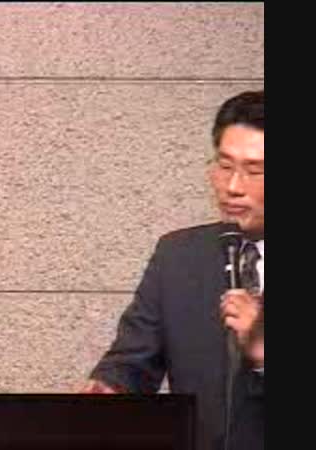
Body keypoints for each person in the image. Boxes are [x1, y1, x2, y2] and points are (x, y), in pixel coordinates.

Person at [83, 90, 264, 450]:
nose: (232, 187)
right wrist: (109, 389)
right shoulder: (178, 257)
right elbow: (133, 363)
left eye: (254, 171)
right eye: (224, 166)